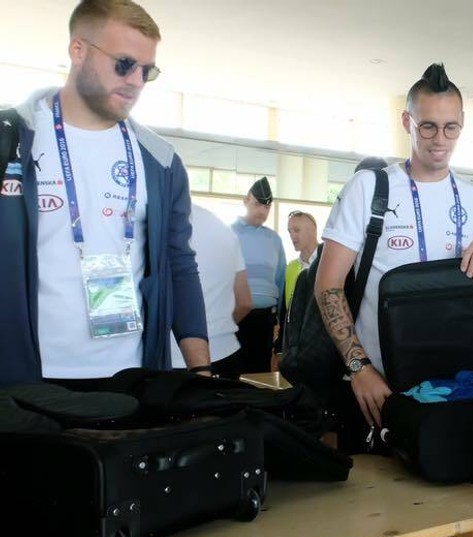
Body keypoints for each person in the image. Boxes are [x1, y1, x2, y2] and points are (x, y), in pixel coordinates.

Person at [1, 0, 209, 388]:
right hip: (26, 379)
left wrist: (201, 371)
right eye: (124, 63)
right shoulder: (10, 140)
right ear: (78, 50)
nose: (136, 81)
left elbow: (180, 264)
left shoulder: (160, 162)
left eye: (148, 71)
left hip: (131, 377)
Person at [314, 63, 473, 441]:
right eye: (427, 126)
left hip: (455, 381)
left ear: (462, 124)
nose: (440, 139)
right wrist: (359, 367)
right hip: (379, 384)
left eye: (451, 128)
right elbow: (328, 285)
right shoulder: (369, 188)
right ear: (407, 122)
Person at [171, 204, 251, 379]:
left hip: (173, 358)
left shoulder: (156, 219)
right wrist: (218, 328)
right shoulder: (222, 228)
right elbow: (245, 301)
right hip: (226, 354)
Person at [232, 177, 286, 373]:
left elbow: (280, 281)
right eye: (257, 204)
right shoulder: (229, 234)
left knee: (260, 377)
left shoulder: (274, 240)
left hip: (264, 322)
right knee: (232, 375)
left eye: (267, 206)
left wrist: (279, 321)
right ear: (246, 201)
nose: (262, 211)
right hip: (234, 318)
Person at [284, 210, 319, 310]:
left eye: (297, 230)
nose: (292, 236)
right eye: (289, 232)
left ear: (313, 230)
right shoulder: (291, 267)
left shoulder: (329, 263)